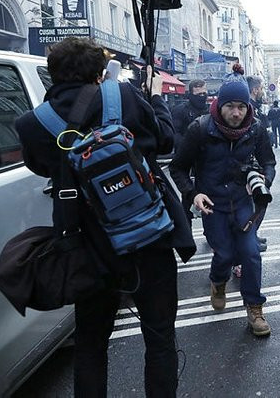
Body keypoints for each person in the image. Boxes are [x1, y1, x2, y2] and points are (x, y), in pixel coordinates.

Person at [14, 37, 196, 396]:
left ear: (52, 75)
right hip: (149, 236)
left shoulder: (32, 124)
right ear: (99, 72)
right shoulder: (124, 96)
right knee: (159, 337)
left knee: (91, 345)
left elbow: (40, 167)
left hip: (87, 246)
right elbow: (164, 140)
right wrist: (155, 97)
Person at [170, 79, 275, 337]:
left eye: (241, 106)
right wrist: (193, 194)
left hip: (242, 201)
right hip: (212, 203)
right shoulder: (200, 129)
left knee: (251, 253)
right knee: (225, 254)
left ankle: (254, 308)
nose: (236, 113)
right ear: (219, 104)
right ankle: (218, 281)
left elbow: (269, 162)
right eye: (231, 106)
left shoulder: (256, 129)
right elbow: (178, 168)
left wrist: (263, 179)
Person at [171, 79, 208, 225]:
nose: (202, 97)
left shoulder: (208, 110)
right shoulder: (180, 111)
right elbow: (176, 134)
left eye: (204, 93)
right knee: (188, 196)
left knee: (208, 194)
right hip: (186, 157)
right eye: (199, 94)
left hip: (205, 159)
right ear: (191, 94)